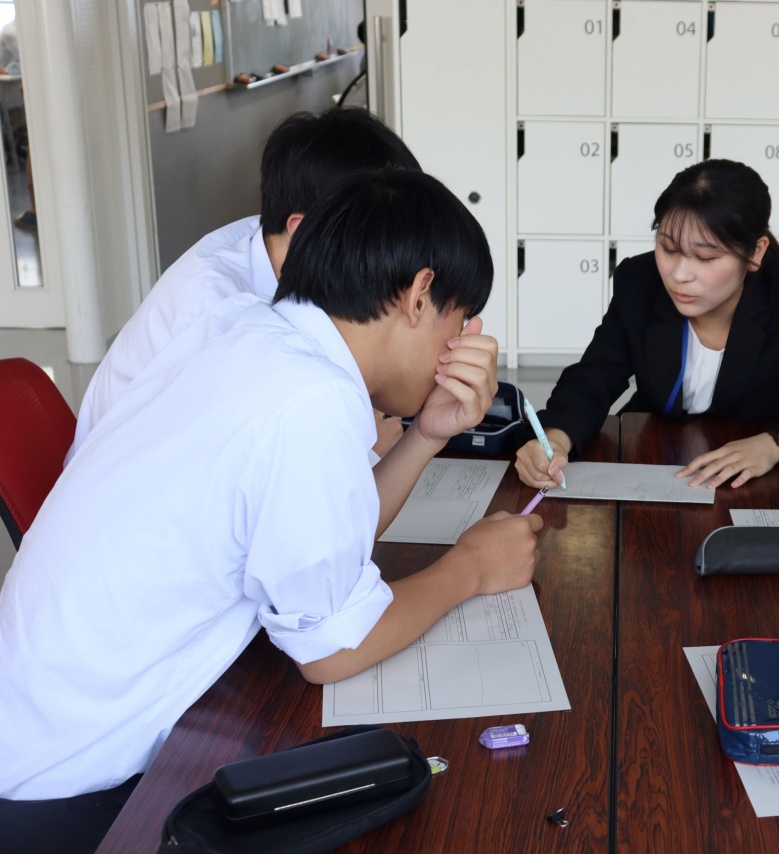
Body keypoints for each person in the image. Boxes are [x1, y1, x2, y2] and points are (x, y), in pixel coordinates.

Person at [0, 169, 544, 853]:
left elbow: (324, 546)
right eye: (459, 323)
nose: (459, 347)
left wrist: (428, 435)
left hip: (33, 723)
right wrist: (471, 568)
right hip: (72, 785)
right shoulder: (310, 399)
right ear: (418, 294)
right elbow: (334, 648)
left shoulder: (243, 328)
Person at [515, 159, 779, 490]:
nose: (679, 275)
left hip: (770, 480)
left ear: (755, 252)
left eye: (705, 258)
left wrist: (776, 445)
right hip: (660, 466)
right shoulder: (640, 281)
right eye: (668, 248)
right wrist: (556, 440)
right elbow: (594, 378)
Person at [67, 107, 419, 463]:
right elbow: (235, 468)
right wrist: (366, 453)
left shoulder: (277, 247)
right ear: (304, 232)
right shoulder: (216, 313)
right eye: (377, 237)